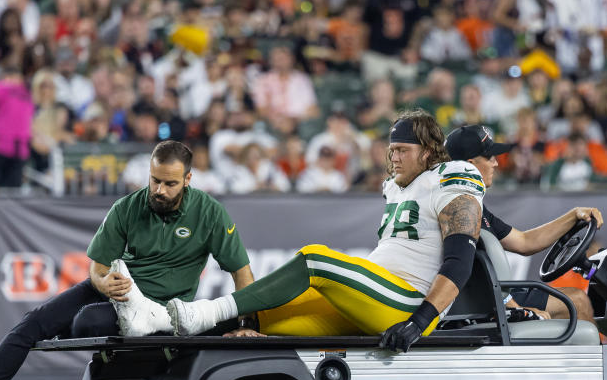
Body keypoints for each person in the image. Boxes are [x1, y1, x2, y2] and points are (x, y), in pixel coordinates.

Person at [0, 141, 256, 380]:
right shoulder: (126, 208)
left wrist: (244, 323)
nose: (159, 190)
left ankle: (71, 325)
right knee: (34, 322)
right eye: (154, 180)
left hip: (159, 309)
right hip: (116, 293)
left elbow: (241, 272)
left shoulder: (211, 213)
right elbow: (96, 270)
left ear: (187, 179)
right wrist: (104, 284)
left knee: (87, 323)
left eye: (169, 184)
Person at [166, 110, 485, 354]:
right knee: (259, 315)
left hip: (408, 302)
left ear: (429, 151)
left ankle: (205, 310)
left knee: (315, 259)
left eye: (402, 150)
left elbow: (459, 262)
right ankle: (161, 328)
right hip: (371, 300)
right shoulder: (397, 187)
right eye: (392, 150)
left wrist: (420, 321)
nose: (394, 157)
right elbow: (519, 239)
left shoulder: (453, 175)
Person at [444, 125, 600, 322]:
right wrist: (516, 308)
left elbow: (525, 241)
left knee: (576, 299)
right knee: (579, 301)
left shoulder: (469, 201)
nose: (496, 164)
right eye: (489, 157)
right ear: (470, 165)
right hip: (480, 300)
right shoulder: (462, 207)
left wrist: (573, 216)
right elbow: (466, 268)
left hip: (488, 293)